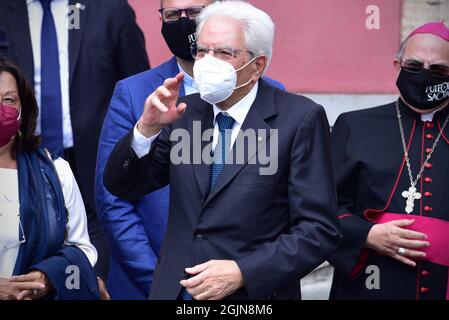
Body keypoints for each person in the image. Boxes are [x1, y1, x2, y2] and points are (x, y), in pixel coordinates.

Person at [104, 1, 341, 300]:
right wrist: (145, 130)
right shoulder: (184, 114)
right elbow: (123, 185)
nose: (208, 62)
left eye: (224, 52)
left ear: (257, 65)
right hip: (177, 294)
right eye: (202, 51)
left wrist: (245, 271)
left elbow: (319, 230)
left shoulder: (299, 119)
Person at [0, 0, 150, 279]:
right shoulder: (5, 10)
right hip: (20, 160)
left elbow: (138, 90)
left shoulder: (110, 10)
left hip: (99, 163)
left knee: (96, 262)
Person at [329, 22, 449, 300]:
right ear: (398, 65)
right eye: (414, 65)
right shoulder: (355, 126)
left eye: (439, 70)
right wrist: (366, 234)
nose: (424, 75)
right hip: (368, 280)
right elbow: (320, 205)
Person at [0, 58, 101, 300]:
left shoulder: (55, 171)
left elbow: (83, 251)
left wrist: (50, 277)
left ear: (23, 111)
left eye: (9, 100)